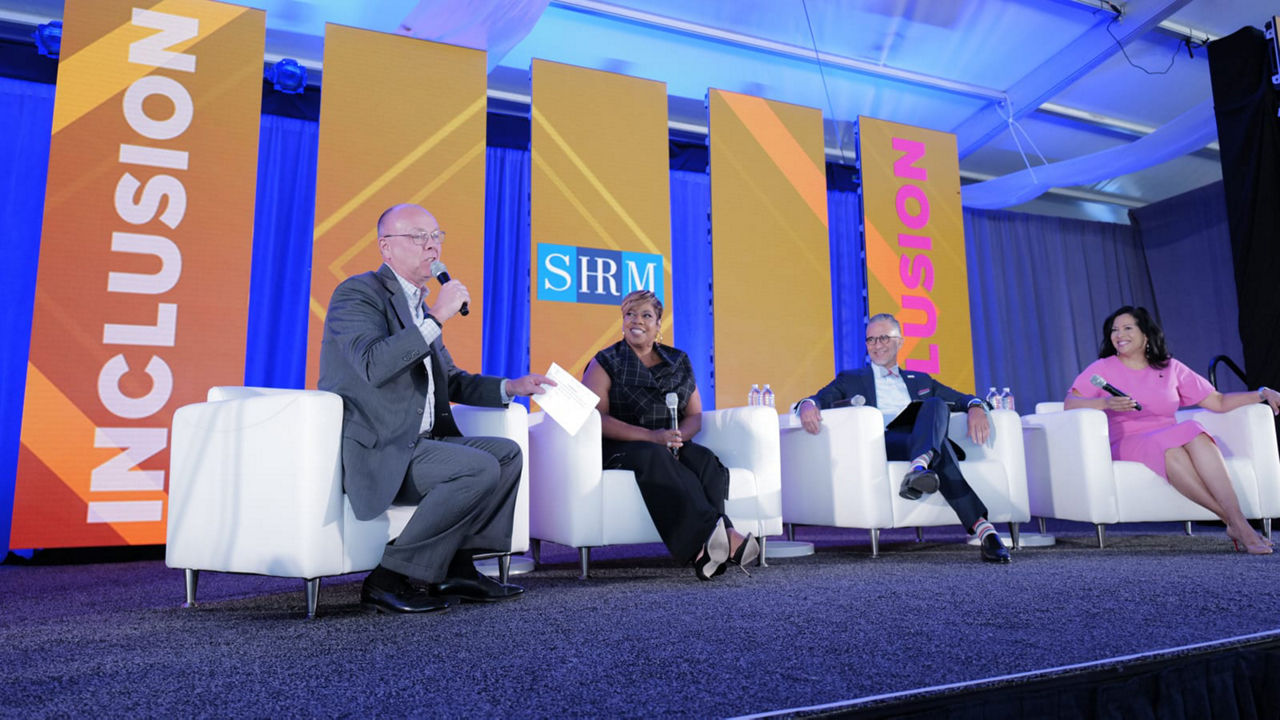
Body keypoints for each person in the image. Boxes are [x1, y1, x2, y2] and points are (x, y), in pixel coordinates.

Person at [319, 203, 555, 613]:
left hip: (422, 444)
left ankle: (457, 569)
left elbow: (452, 379)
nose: (432, 246)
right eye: (418, 237)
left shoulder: (419, 309)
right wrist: (436, 317)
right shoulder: (358, 294)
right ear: (386, 247)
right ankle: (387, 577)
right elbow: (373, 365)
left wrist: (511, 387)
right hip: (382, 447)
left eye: (436, 236)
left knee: (506, 454)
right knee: (477, 467)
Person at [797, 313, 1012, 563]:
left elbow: (962, 398)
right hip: (886, 441)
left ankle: (921, 468)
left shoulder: (920, 380)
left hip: (919, 438)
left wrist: (976, 407)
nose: (877, 345)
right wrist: (807, 404)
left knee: (935, 403)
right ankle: (983, 528)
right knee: (938, 446)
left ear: (900, 341)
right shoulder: (852, 378)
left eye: (884, 338)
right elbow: (819, 398)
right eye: (871, 340)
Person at [1065, 305, 1280, 555]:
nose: (1119, 334)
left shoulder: (1170, 367)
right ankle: (1238, 524)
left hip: (1166, 432)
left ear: (1146, 335)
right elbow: (1070, 403)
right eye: (1114, 330)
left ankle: (1236, 523)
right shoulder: (1102, 368)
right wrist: (1105, 403)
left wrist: (1261, 393)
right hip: (1127, 439)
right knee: (1170, 449)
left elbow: (1218, 402)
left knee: (1195, 430)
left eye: (1127, 328)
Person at [581, 290, 760, 580]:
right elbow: (597, 419)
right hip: (621, 446)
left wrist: (678, 437)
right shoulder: (605, 361)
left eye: (646, 315)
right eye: (629, 314)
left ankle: (706, 554)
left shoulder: (678, 360)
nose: (636, 320)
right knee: (653, 455)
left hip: (667, 440)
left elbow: (695, 416)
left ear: (658, 324)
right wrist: (653, 437)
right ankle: (725, 534)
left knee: (703, 459)